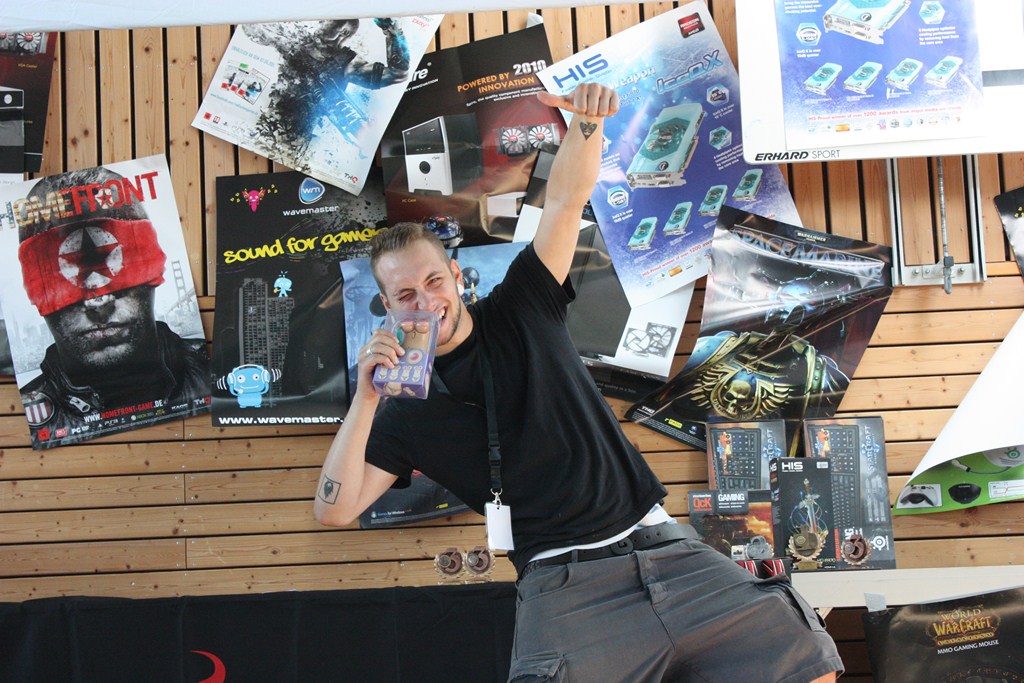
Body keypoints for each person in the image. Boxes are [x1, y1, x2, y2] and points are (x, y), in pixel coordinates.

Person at [314, 83, 842, 682]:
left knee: (804, 657)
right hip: (565, 585)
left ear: (456, 276)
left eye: (433, 281)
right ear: (386, 305)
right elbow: (336, 509)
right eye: (405, 293)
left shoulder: (521, 305)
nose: (425, 301)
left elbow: (565, 203)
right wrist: (365, 400)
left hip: (664, 545)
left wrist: (587, 122)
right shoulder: (403, 410)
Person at [16, 166, 209, 446]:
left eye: (121, 263)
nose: (99, 300)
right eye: (64, 275)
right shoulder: (29, 417)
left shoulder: (216, 376)